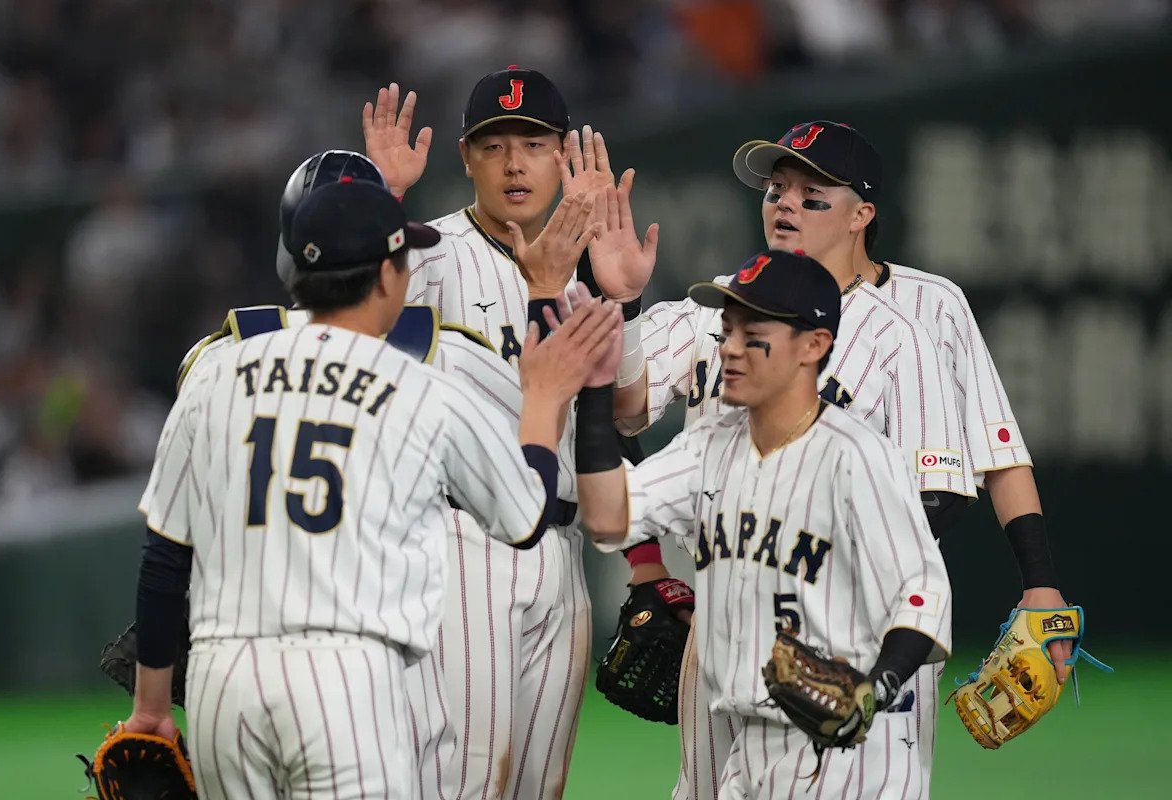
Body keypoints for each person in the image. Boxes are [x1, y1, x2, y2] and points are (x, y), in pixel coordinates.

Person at [120, 177, 621, 799]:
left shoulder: (217, 370)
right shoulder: (421, 380)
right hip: (345, 677)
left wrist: (150, 709)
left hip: (225, 681)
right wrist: (544, 400)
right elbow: (525, 517)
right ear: (387, 276)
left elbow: (165, 557)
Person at [609, 121, 973, 799]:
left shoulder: (902, 338)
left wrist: (812, 584)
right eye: (776, 189)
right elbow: (623, 405)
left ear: (861, 214)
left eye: (811, 194)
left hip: (851, 638)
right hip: (724, 623)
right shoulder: (709, 309)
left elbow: (939, 495)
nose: (784, 203)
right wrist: (624, 302)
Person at [361, 72, 655, 798]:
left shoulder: (594, 266)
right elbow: (357, 329)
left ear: (563, 156)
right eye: (494, 146)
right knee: (468, 781)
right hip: (465, 545)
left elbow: (629, 413)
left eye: (532, 143)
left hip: (561, 555)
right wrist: (384, 202)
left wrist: (626, 297)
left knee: (536, 788)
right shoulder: (429, 252)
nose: (514, 163)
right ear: (465, 157)